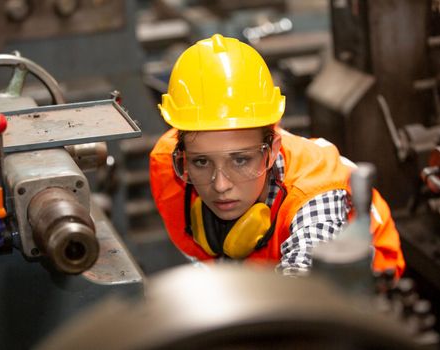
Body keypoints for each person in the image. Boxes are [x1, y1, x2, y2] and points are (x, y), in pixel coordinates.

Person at [149, 34, 405, 277]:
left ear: (271, 151)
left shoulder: (313, 199)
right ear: (181, 156)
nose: (220, 185)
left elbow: (306, 295)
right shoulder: (168, 168)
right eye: (201, 162)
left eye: (240, 160)